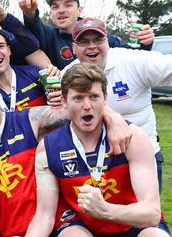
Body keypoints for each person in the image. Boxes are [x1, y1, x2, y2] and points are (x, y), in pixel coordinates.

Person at [0, 74, 130, 236]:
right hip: (15, 233)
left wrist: (114, 118)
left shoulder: (29, 119)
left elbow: (77, 109)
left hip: (57, 226)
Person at [26, 63, 168, 237]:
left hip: (133, 224)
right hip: (83, 227)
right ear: (64, 102)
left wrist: (105, 210)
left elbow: (152, 213)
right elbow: (44, 216)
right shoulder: (48, 149)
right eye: (78, 98)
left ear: (105, 98)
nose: (87, 106)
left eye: (93, 97)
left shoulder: (133, 137)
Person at [63, 17, 172, 191]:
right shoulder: (66, 76)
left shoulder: (133, 61)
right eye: (84, 41)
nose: (92, 46)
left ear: (107, 42)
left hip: (144, 156)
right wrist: (112, 117)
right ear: (74, 47)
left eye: (98, 39)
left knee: (147, 216)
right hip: (94, 165)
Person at [19, 0, 155, 69]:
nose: (61, 10)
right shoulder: (49, 35)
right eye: (55, 6)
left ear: (79, 10)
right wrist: (30, 13)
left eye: (68, 5)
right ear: (51, 13)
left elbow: (133, 56)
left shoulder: (100, 36)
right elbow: (33, 30)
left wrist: (145, 43)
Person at [0, 28, 58, 111]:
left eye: (0, 46)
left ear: (9, 50)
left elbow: (60, 106)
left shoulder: (34, 73)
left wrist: (59, 84)